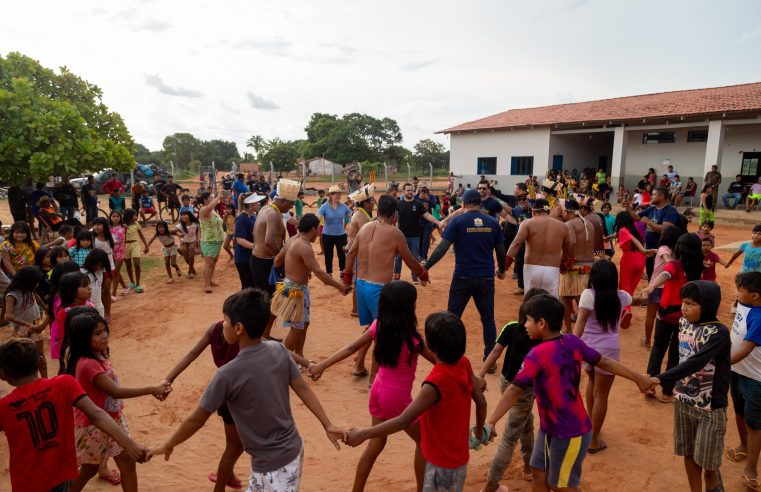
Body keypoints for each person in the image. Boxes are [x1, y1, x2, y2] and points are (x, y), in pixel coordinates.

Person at [148, 288, 346, 491]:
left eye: (225, 321)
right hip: (290, 452)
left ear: (239, 328)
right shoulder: (277, 350)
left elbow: (196, 419)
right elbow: (303, 388)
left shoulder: (226, 374)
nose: (222, 325)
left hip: (273, 467)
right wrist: (327, 424)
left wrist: (169, 443)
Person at [484, 294, 652, 491]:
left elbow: (514, 389)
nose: (525, 325)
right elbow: (603, 361)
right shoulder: (572, 341)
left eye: (527, 320)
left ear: (541, 323)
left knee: (560, 485)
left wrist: (491, 421)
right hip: (550, 428)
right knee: (538, 473)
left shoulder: (537, 354)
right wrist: (638, 378)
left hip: (570, 432)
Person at [309, 281, 435, 491]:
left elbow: (351, 347)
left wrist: (322, 364)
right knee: (424, 442)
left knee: (376, 444)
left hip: (378, 390)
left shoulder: (378, 326)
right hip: (397, 398)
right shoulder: (414, 339)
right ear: (408, 307)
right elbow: (440, 362)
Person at [344, 311, 487, 492]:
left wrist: (363, 433)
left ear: (432, 346)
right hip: (459, 458)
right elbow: (481, 403)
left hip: (438, 462)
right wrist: (480, 433)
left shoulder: (434, 383)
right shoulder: (464, 363)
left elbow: (403, 420)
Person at [0, 338, 149, 492]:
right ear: (40, 362)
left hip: (27, 482)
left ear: (2, 374)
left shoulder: (4, 407)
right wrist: (130, 444)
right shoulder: (64, 384)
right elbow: (97, 414)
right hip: (61, 473)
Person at [61, 312, 169, 492]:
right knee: (89, 468)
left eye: (104, 330)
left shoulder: (98, 354)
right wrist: (152, 389)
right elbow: (115, 391)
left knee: (127, 463)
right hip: (93, 426)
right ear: (82, 338)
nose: (104, 335)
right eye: (97, 333)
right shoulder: (88, 364)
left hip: (113, 419)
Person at [647, 281, 730, 492]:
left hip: (710, 409)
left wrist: (659, 378)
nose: (683, 308)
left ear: (707, 305)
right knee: (689, 453)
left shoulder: (718, 333)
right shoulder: (684, 323)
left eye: (690, 304)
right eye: (683, 302)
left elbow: (696, 362)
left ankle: (714, 487)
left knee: (709, 466)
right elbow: (678, 355)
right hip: (683, 401)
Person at [344, 195, 430, 376]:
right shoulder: (394, 233)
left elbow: (351, 254)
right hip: (379, 289)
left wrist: (347, 280)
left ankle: (359, 366)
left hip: (361, 284)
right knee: (381, 335)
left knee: (370, 328)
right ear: (394, 214)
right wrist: (423, 273)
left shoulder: (365, 227)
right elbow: (411, 262)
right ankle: (374, 378)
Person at [159, 320, 245, 491]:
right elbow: (276, 349)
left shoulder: (215, 327)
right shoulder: (244, 333)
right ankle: (219, 486)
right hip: (239, 395)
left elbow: (192, 353)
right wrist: (307, 363)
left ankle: (229, 475)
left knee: (234, 444)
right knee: (235, 446)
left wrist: (168, 379)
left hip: (224, 392)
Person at [479, 288, 548, 491]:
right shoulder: (542, 338)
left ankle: (528, 466)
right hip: (524, 390)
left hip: (505, 382)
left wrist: (481, 375)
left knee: (526, 424)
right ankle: (491, 485)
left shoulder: (511, 327)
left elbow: (495, 351)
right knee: (509, 437)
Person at [425, 189, 506, 361]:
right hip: (486, 277)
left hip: (462, 277)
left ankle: (448, 356)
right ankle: (489, 360)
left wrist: (427, 266)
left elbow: (442, 248)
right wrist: (502, 269)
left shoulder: (458, 221)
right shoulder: (492, 222)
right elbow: (500, 251)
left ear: (463, 204)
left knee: (451, 319)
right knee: (488, 319)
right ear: (480, 203)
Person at [572, 260, 632, 453]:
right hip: (609, 350)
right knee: (602, 395)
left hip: (588, 348)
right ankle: (594, 440)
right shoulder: (622, 296)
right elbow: (634, 300)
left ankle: (590, 425)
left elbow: (580, 322)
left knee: (591, 383)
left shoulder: (588, 295)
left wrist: (571, 345)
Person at [272, 214, 352, 356]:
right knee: (296, 329)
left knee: (303, 325)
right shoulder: (303, 246)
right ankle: (285, 362)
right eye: (318, 229)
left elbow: (277, 261)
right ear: (314, 229)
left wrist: (293, 269)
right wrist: (340, 287)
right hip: (295, 290)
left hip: (292, 287)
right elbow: (319, 273)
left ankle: (299, 357)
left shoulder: (293, 240)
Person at [642, 233, 704, 403]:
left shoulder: (674, 265)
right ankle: (668, 390)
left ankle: (650, 384)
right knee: (676, 352)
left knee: (658, 346)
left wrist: (652, 285)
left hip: (666, 313)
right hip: (686, 315)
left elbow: (666, 275)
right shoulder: (698, 268)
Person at [727, 272, 761, 490]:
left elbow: (747, 348)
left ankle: (752, 468)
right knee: (739, 412)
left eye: (741, 291)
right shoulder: (743, 303)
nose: (737, 293)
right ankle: (743, 445)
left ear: (755, 296)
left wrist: (721, 363)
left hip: (755, 378)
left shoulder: (759, 318)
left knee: (754, 424)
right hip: (736, 371)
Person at [506, 198, 571, 298]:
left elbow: (516, 244)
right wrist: (563, 264)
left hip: (532, 268)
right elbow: (567, 249)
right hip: (552, 269)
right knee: (551, 303)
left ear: (533, 211)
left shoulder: (527, 223)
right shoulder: (563, 226)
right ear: (548, 211)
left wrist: (505, 265)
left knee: (530, 301)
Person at [558, 200, 597, 331]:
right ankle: (586, 329)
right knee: (583, 298)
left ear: (568, 211)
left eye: (563, 211)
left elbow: (572, 243)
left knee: (563, 297)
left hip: (575, 267)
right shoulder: (589, 224)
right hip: (589, 266)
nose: (562, 214)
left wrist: (566, 262)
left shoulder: (569, 224)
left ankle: (569, 329)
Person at [612, 211, 655, 328]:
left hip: (629, 258)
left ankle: (626, 310)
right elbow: (635, 239)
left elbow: (632, 239)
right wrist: (643, 251)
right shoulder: (634, 228)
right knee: (631, 287)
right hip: (640, 260)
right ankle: (625, 310)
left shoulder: (623, 230)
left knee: (624, 286)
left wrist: (644, 250)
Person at [346, 183, 376, 349]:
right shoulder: (362, 215)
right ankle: (356, 308)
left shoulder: (362, 212)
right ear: (365, 202)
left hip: (357, 250)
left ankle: (356, 308)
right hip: (356, 251)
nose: (374, 202)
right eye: (371, 199)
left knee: (359, 278)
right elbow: (371, 232)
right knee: (359, 279)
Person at [4, 266, 48, 377]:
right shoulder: (12, 295)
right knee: (26, 357)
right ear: (27, 281)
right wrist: (26, 324)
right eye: (36, 282)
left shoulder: (29, 288)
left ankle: (45, 380)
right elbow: (8, 316)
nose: (37, 284)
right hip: (21, 329)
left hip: (35, 324)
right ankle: (32, 380)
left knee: (40, 355)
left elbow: (35, 296)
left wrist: (44, 306)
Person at [393, 183, 441, 283]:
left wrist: (438, 222)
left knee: (414, 258)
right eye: (408, 190)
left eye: (411, 190)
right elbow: (392, 216)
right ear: (403, 192)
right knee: (398, 258)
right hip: (400, 236)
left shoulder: (418, 204)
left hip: (414, 236)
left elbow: (427, 214)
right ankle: (396, 276)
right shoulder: (399, 204)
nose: (410, 192)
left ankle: (414, 276)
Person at [628, 186, 678, 280]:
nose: (651, 196)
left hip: (662, 250)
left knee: (660, 276)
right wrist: (627, 207)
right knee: (651, 275)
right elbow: (635, 217)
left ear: (662, 196)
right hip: (650, 250)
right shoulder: (651, 209)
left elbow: (665, 229)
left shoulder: (670, 211)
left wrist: (648, 222)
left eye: (654, 194)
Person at [318, 185, 352, 276]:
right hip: (327, 235)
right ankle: (329, 273)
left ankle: (342, 272)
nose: (338, 196)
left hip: (341, 235)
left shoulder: (343, 206)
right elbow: (318, 218)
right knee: (328, 255)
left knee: (342, 255)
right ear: (330, 195)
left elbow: (352, 216)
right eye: (335, 194)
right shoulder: (324, 207)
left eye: (339, 194)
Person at [233, 193, 265, 289]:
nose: (259, 203)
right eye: (256, 202)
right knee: (247, 285)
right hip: (243, 258)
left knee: (253, 283)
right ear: (250, 204)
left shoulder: (253, 216)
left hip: (251, 255)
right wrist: (255, 247)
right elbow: (239, 239)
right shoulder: (242, 218)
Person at [197, 192, 226, 293]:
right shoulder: (203, 209)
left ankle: (210, 281)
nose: (213, 199)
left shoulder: (213, 210)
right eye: (211, 198)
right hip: (208, 241)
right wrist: (218, 197)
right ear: (205, 200)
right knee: (208, 263)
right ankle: (207, 285)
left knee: (213, 262)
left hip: (217, 240)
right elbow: (208, 209)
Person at [509, 192, 532, 295]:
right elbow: (506, 211)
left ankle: (531, 287)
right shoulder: (517, 210)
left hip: (532, 243)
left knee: (530, 265)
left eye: (524, 199)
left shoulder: (533, 211)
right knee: (519, 264)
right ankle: (521, 286)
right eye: (519, 199)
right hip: (520, 242)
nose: (521, 201)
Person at [122, 209, 149, 294]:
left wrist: (146, 245)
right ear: (129, 216)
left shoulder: (136, 224)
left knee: (137, 264)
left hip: (135, 244)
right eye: (134, 215)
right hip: (125, 246)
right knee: (128, 265)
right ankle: (132, 282)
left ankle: (138, 284)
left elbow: (141, 234)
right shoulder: (123, 225)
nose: (136, 217)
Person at [108, 211, 128, 298]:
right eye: (113, 216)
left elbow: (125, 240)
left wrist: (125, 250)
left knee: (115, 272)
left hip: (121, 252)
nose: (115, 218)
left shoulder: (124, 227)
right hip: (111, 253)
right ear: (110, 217)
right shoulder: (108, 228)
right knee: (117, 271)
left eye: (117, 216)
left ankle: (113, 293)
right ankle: (124, 286)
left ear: (120, 217)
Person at [176, 210, 200, 279]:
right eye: (182, 215)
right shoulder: (180, 225)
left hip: (192, 242)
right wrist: (178, 234)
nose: (183, 216)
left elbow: (198, 230)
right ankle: (192, 268)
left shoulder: (195, 223)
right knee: (186, 259)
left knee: (191, 257)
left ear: (189, 215)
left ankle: (189, 272)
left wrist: (198, 239)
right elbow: (175, 230)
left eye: (185, 214)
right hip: (183, 243)